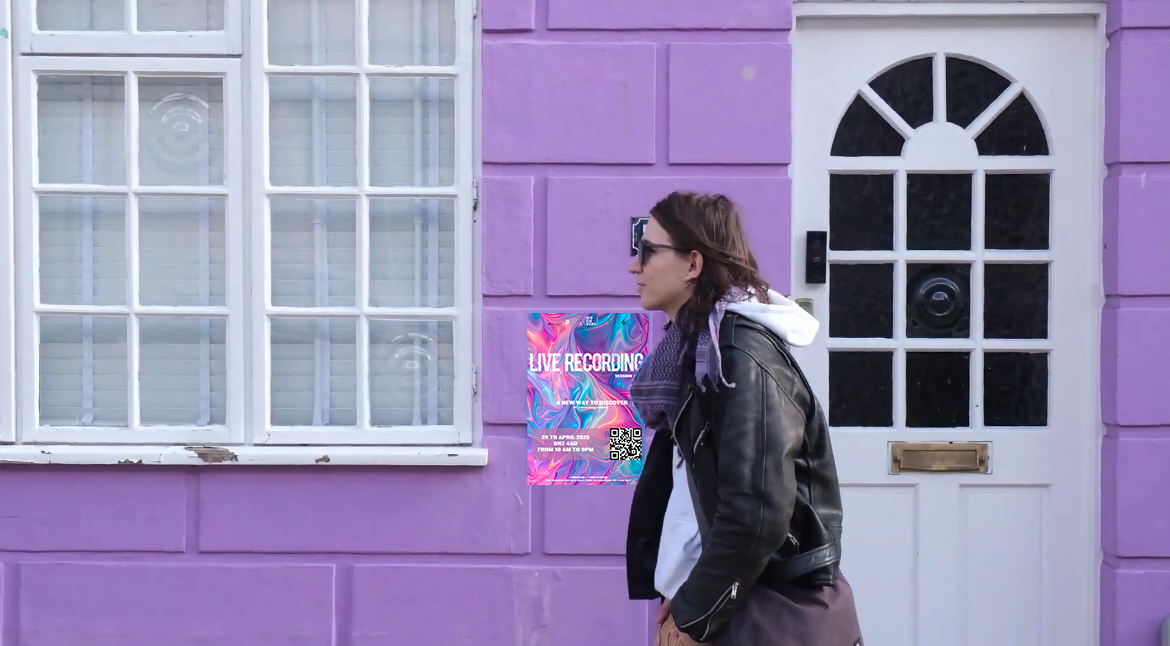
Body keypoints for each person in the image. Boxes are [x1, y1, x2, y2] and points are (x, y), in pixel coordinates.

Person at [625, 191, 864, 646]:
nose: (634, 266)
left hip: (770, 613)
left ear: (693, 264)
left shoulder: (738, 357)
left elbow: (756, 513)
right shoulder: (697, 353)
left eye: (649, 251)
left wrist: (698, 610)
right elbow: (695, 493)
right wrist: (688, 587)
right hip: (734, 604)